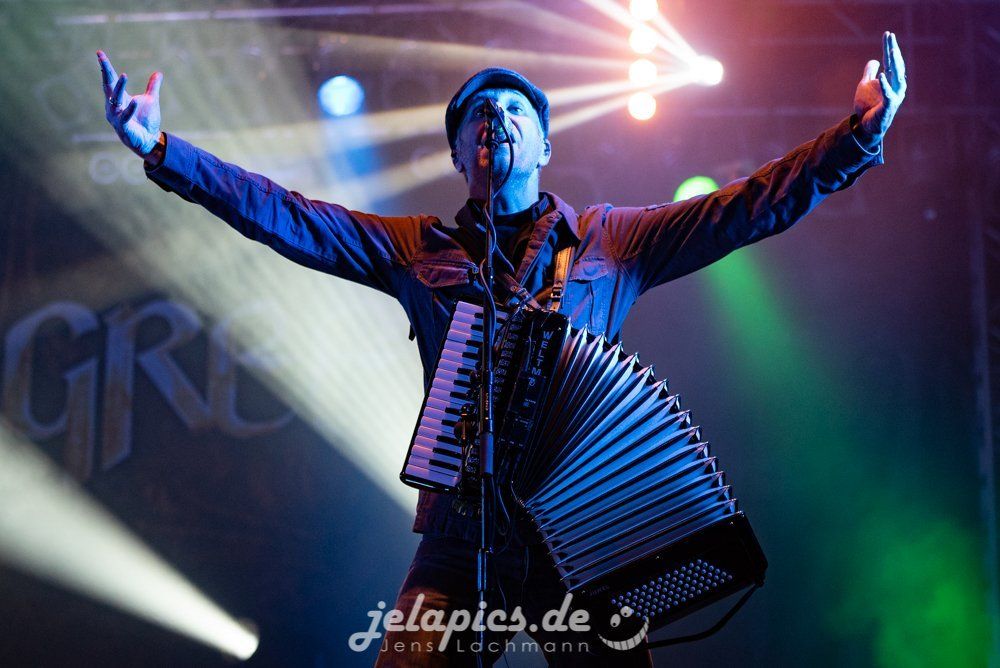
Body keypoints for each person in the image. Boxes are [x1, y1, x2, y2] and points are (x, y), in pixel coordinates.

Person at [97, 31, 906, 667]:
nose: (495, 117)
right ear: (459, 155)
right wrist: (164, 151)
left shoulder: (610, 241)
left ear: (545, 146)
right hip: (459, 533)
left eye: (514, 109)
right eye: (478, 113)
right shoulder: (417, 247)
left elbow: (744, 207)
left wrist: (855, 138)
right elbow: (290, 215)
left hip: (576, 533)